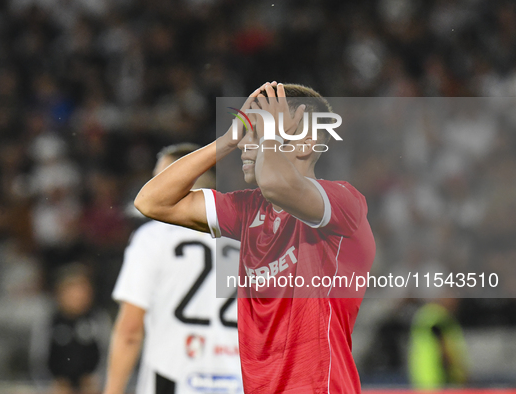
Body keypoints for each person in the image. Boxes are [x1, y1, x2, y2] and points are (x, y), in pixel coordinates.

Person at [134, 82, 376, 393]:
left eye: (261, 130)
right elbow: (151, 202)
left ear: (305, 143)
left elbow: (276, 183)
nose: (247, 144)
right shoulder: (247, 211)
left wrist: (269, 139)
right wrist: (225, 141)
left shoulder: (344, 203)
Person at [104, 144, 242, 394]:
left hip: (174, 377)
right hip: (239, 381)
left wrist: (112, 390)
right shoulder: (253, 236)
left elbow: (130, 331)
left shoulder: (153, 237)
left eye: (159, 177)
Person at [30, 263, 111, 394]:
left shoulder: (98, 319)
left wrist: (98, 380)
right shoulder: (48, 321)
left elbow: (108, 356)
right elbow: (38, 360)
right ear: (60, 293)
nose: (79, 295)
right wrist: (50, 384)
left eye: (83, 289)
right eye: (73, 290)